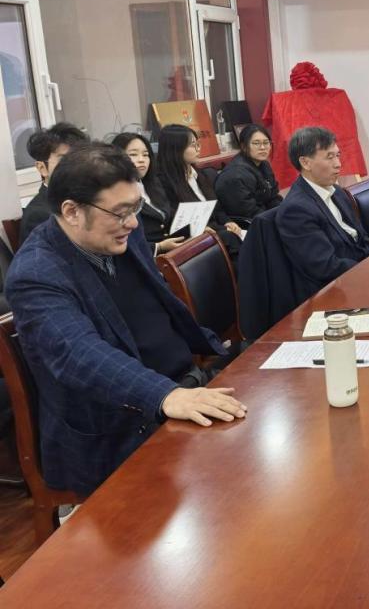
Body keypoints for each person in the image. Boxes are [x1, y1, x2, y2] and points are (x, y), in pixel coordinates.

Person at [4, 144, 246, 496]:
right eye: (120, 213)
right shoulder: (36, 274)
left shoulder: (119, 235)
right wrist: (166, 396)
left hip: (185, 386)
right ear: (72, 211)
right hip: (120, 427)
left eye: (135, 208)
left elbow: (162, 306)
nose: (132, 222)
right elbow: (79, 355)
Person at [277, 126, 369, 303]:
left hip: (358, 274)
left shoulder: (337, 191)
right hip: (334, 293)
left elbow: (362, 238)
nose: (338, 164)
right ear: (305, 163)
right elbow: (325, 266)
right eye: (329, 157)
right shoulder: (296, 210)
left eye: (338, 155)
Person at [154, 124, 244, 248]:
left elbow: (217, 209)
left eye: (198, 144)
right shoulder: (162, 183)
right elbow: (175, 222)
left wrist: (228, 222)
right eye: (193, 145)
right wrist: (205, 228)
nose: (198, 149)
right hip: (194, 239)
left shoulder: (202, 175)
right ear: (175, 149)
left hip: (217, 232)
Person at [111, 133, 185, 256]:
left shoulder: (153, 184)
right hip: (148, 256)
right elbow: (126, 242)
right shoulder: (116, 195)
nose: (141, 159)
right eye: (133, 154)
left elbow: (166, 215)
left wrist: (194, 227)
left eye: (145, 155)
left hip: (172, 248)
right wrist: (158, 247)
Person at [19, 122, 88, 243]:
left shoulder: (87, 197)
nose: (74, 165)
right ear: (42, 168)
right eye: (63, 160)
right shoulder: (38, 215)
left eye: (78, 158)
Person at [214, 124, 282, 221]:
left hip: (265, 215)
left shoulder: (264, 164)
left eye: (266, 143)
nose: (263, 147)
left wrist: (283, 212)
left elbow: (273, 197)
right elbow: (248, 212)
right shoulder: (235, 175)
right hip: (248, 223)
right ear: (244, 146)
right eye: (256, 143)